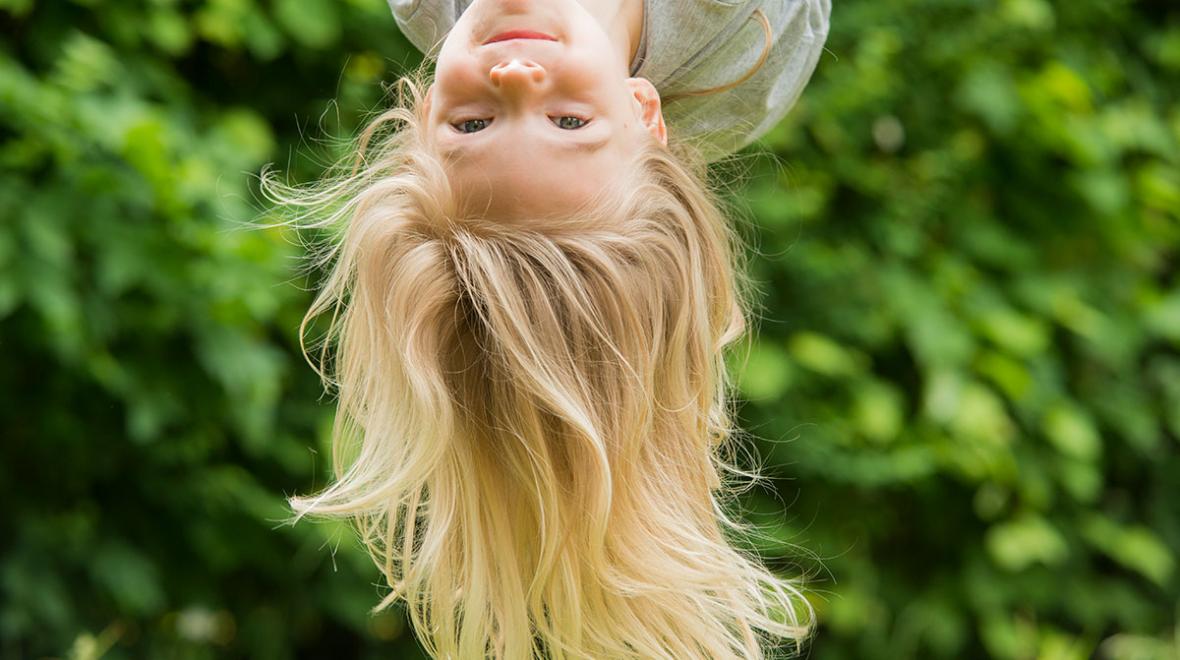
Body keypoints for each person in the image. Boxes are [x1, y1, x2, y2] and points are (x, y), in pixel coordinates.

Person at [261, 1, 830, 658]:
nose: (514, 77)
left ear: (427, 113)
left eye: (471, 124)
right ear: (643, 114)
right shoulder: (747, 34)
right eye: (568, 122)